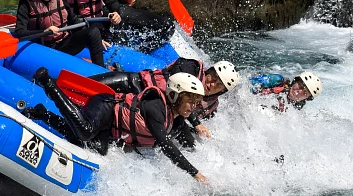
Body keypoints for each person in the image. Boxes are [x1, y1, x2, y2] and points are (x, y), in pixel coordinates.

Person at [31, 67, 210, 183]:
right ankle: (48, 83)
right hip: (105, 106)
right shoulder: (156, 107)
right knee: (85, 132)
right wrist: (195, 173)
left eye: (196, 103)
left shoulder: (177, 120)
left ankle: (43, 114)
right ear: (174, 96)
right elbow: (166, 145)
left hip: (112, 129)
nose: (192, 107)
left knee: (93, 147)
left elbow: (182, 142)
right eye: (190, 101)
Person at [92, 59, 241, 141]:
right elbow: (184, 90)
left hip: (146, 113)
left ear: (222, 92)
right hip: (134, 85)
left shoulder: (211, 107)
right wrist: (196, 123)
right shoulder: (191, 67)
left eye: (218, 85)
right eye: (212, 78)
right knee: (90, 84)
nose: (211, 84)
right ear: (208, 72)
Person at [14, 0, 105, 66]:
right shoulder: (26, 2)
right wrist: (44, 32)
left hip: (63, 44)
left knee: (93, 31)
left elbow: (74, 20)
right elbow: (19, 32)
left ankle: (101, 70)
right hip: (42, 48)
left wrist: (96, 39)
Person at [250, 71, 322, 112]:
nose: (299, 91)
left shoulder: (297, 106)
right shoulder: (277, 80)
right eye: (300, 85)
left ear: (306, 98)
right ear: (295, 81)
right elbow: (249, 85)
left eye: (305, 92)